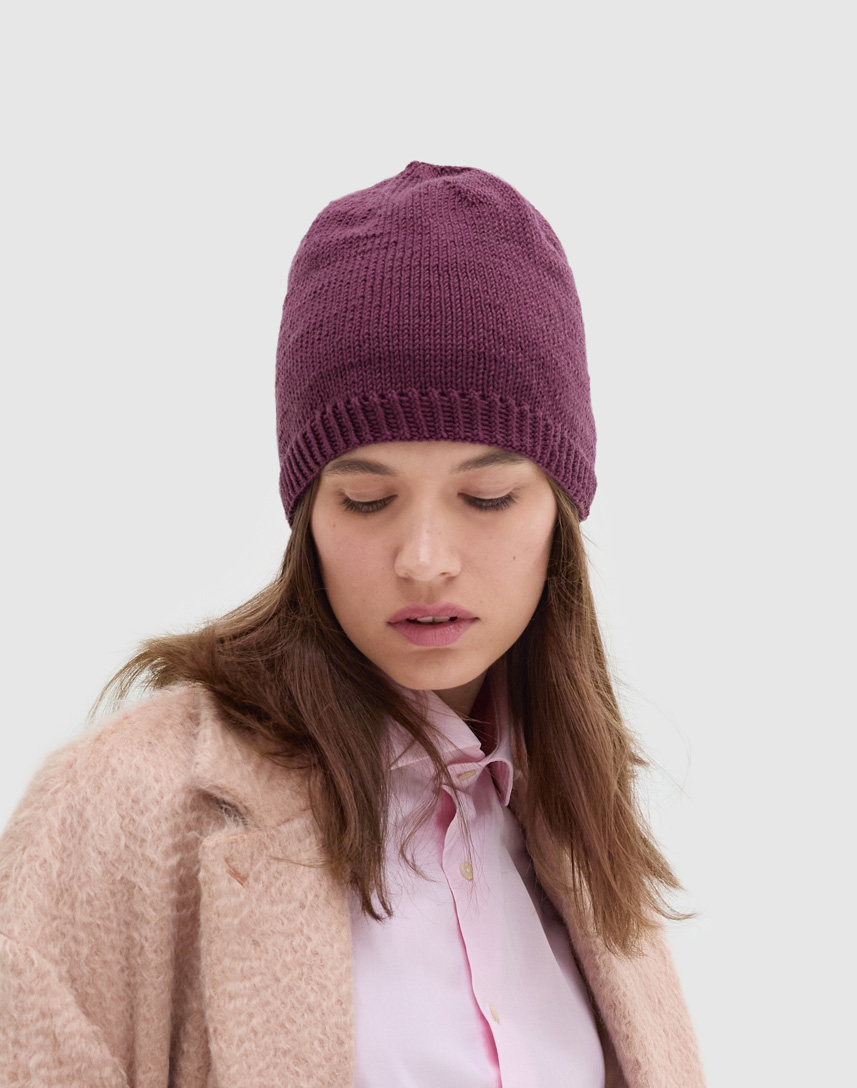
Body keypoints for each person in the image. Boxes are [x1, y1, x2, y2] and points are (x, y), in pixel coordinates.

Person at [0, 160, 707, 1086]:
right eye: (367, 500)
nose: (424, 558)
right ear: (308, 518)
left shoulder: (576, 823)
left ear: (559, 516)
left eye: (487, 497)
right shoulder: (120, 806)